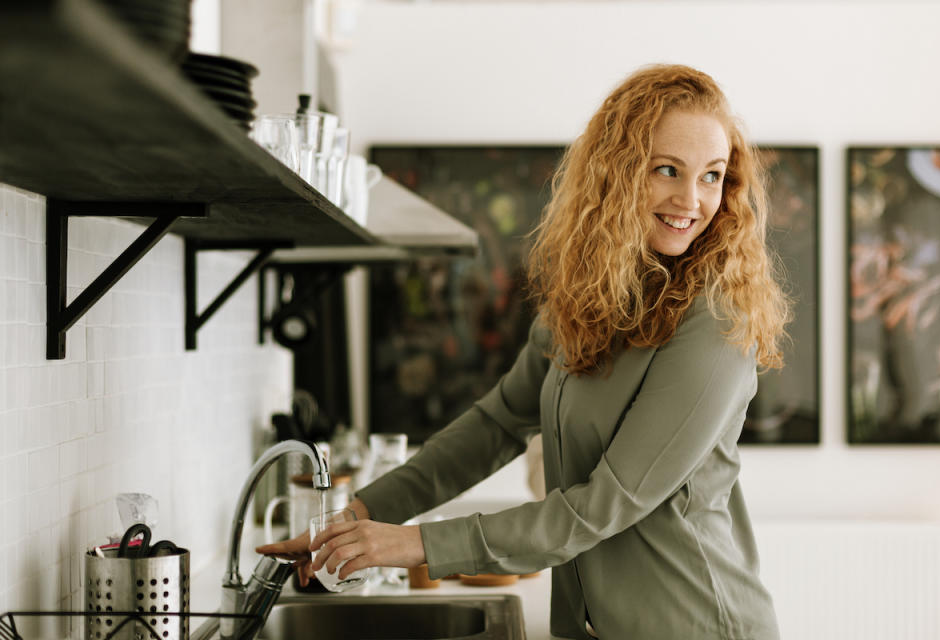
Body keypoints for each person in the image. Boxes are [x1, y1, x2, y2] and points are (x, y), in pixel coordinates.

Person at [257, 63, 790, 640]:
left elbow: (603, 505)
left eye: (712, 176)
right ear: (616, 174)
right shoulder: (590, 299)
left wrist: (416, 544)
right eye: (667, 170)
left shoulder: (714, 322)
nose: (692, 199)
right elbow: (497, 424)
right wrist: (359, 514)